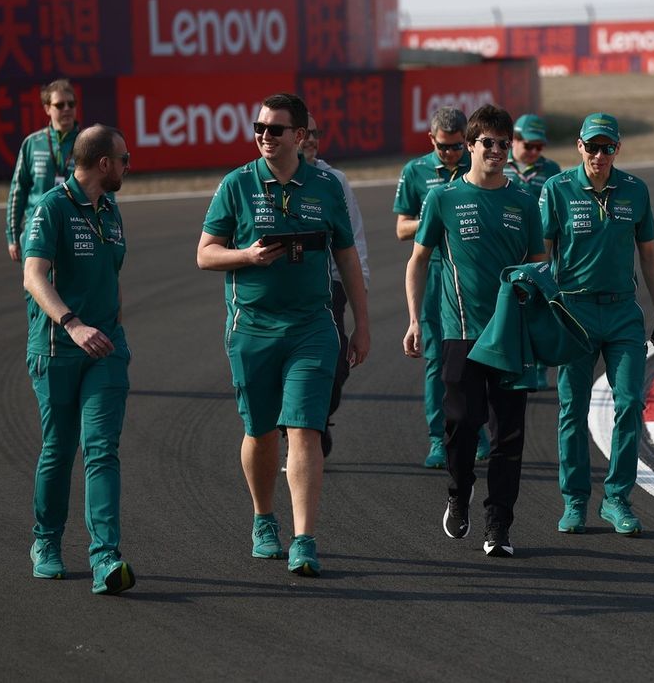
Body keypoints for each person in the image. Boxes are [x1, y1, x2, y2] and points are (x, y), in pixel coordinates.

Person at [196, 93, 370, 578]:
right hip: (251, 327)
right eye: (258, 128)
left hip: (312, 326)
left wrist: (362, 324)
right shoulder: (236, 185)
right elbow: (205, 254)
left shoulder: (327, 187)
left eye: (275, 129)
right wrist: (246, 257)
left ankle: (304, 538)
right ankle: (262, 518)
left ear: (299, 135)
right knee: (260, 431)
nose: (265, 137)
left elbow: (347, 259)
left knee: (306, 428)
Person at [403, 104, 545, 557]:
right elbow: (418, 260)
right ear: (470, 146)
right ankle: (458, 493)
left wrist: (540, 316)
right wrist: (412, 320)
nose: (498, 151)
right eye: (489, 143)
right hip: (459, 332)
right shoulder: (443, 198)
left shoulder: (524, 201)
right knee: (463, 424)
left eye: (505, 144)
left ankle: (498, 525)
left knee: (509, 437)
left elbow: (539, 265)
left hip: (511, 338)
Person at [540, 113, 654, 536]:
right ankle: (575, 500)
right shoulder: (556, 189)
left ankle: (616, 499)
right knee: (572, 409)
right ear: (578, 147)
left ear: (618, 149)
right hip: (573, 312)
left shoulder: (635, 190)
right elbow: (542, 256)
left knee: (631, 402)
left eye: (607, 147)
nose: (599, 155)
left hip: (622, 314)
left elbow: (648, 254)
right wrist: (540, 311)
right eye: (592, 147)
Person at [22, 124, 135, 595]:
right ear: (104, 163)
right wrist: (72, 323)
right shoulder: (51, 207)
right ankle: (45, 541)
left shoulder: (111, 210)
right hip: (57, 348)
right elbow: (33, 276)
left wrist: (110, 325)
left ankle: (105, 558)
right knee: (59, 448)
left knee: (101, 448)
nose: (129, 166)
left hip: (106, 349)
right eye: (124, 159)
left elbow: (112, 277)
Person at [394, 106, 490, 469]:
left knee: (480, 356)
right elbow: (402, 228)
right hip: (435, 274)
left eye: (457, 147)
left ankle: (478, 429)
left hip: (475, 272)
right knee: (437, 359)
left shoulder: (479, 163)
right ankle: (439, 437)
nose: (451, 154)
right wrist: (437, 216)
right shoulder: (415, 172)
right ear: (431, 140)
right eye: (444, 147)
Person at [294, 114, 370, 460]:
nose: (310, 140)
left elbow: (354, 241)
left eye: (315, 134)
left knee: (337, 367)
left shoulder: (335, 181)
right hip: (281, 293)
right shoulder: (256, 181)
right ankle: (298, 431)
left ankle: (318, 418)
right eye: (303, 134)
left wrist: (360, 289)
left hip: (330, 288)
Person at [504, 114, 562, 389]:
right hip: (505, 246)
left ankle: (538, 366)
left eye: (540, 147)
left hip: (538, 248)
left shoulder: (551, 169)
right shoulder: (498, 166)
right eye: (529, 146)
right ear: (514, 140)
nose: (535, 152)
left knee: (537, 307)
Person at [7, 79, 81, 263]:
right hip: (36, 231)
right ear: (47, 108)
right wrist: (13, 236)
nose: (66, 109)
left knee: (72, 291)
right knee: (36, 289)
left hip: (76, 233)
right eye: (59, 104)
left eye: (71, 104)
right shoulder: (32, 143)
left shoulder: (87, 143)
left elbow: (104, 191)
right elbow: (18, 191)